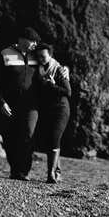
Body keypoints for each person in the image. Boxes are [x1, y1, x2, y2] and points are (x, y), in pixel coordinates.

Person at [0, 27, 41, 180]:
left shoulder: (37, 56)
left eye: (36, 41)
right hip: (10, 105)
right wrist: (1, 102)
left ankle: (23, 171)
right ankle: (15, 170)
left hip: (31, 105)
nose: (35, 44)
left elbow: (52, 64)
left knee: (28, 134)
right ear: (21, 40)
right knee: (10, 138)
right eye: (32, 41)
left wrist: (65, 70)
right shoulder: (4, 54)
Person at [34, 43, 71, 183]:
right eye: (38, 57)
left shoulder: (59, 70)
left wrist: (51, 85)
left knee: (54, 137)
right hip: (46, 109)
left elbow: (68, 92)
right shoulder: (38, 69)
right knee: (50, 140)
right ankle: (58, 172)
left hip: (61, 109)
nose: (40, 59)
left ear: (50, 55)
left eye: (43, 56)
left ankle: (50, 175)